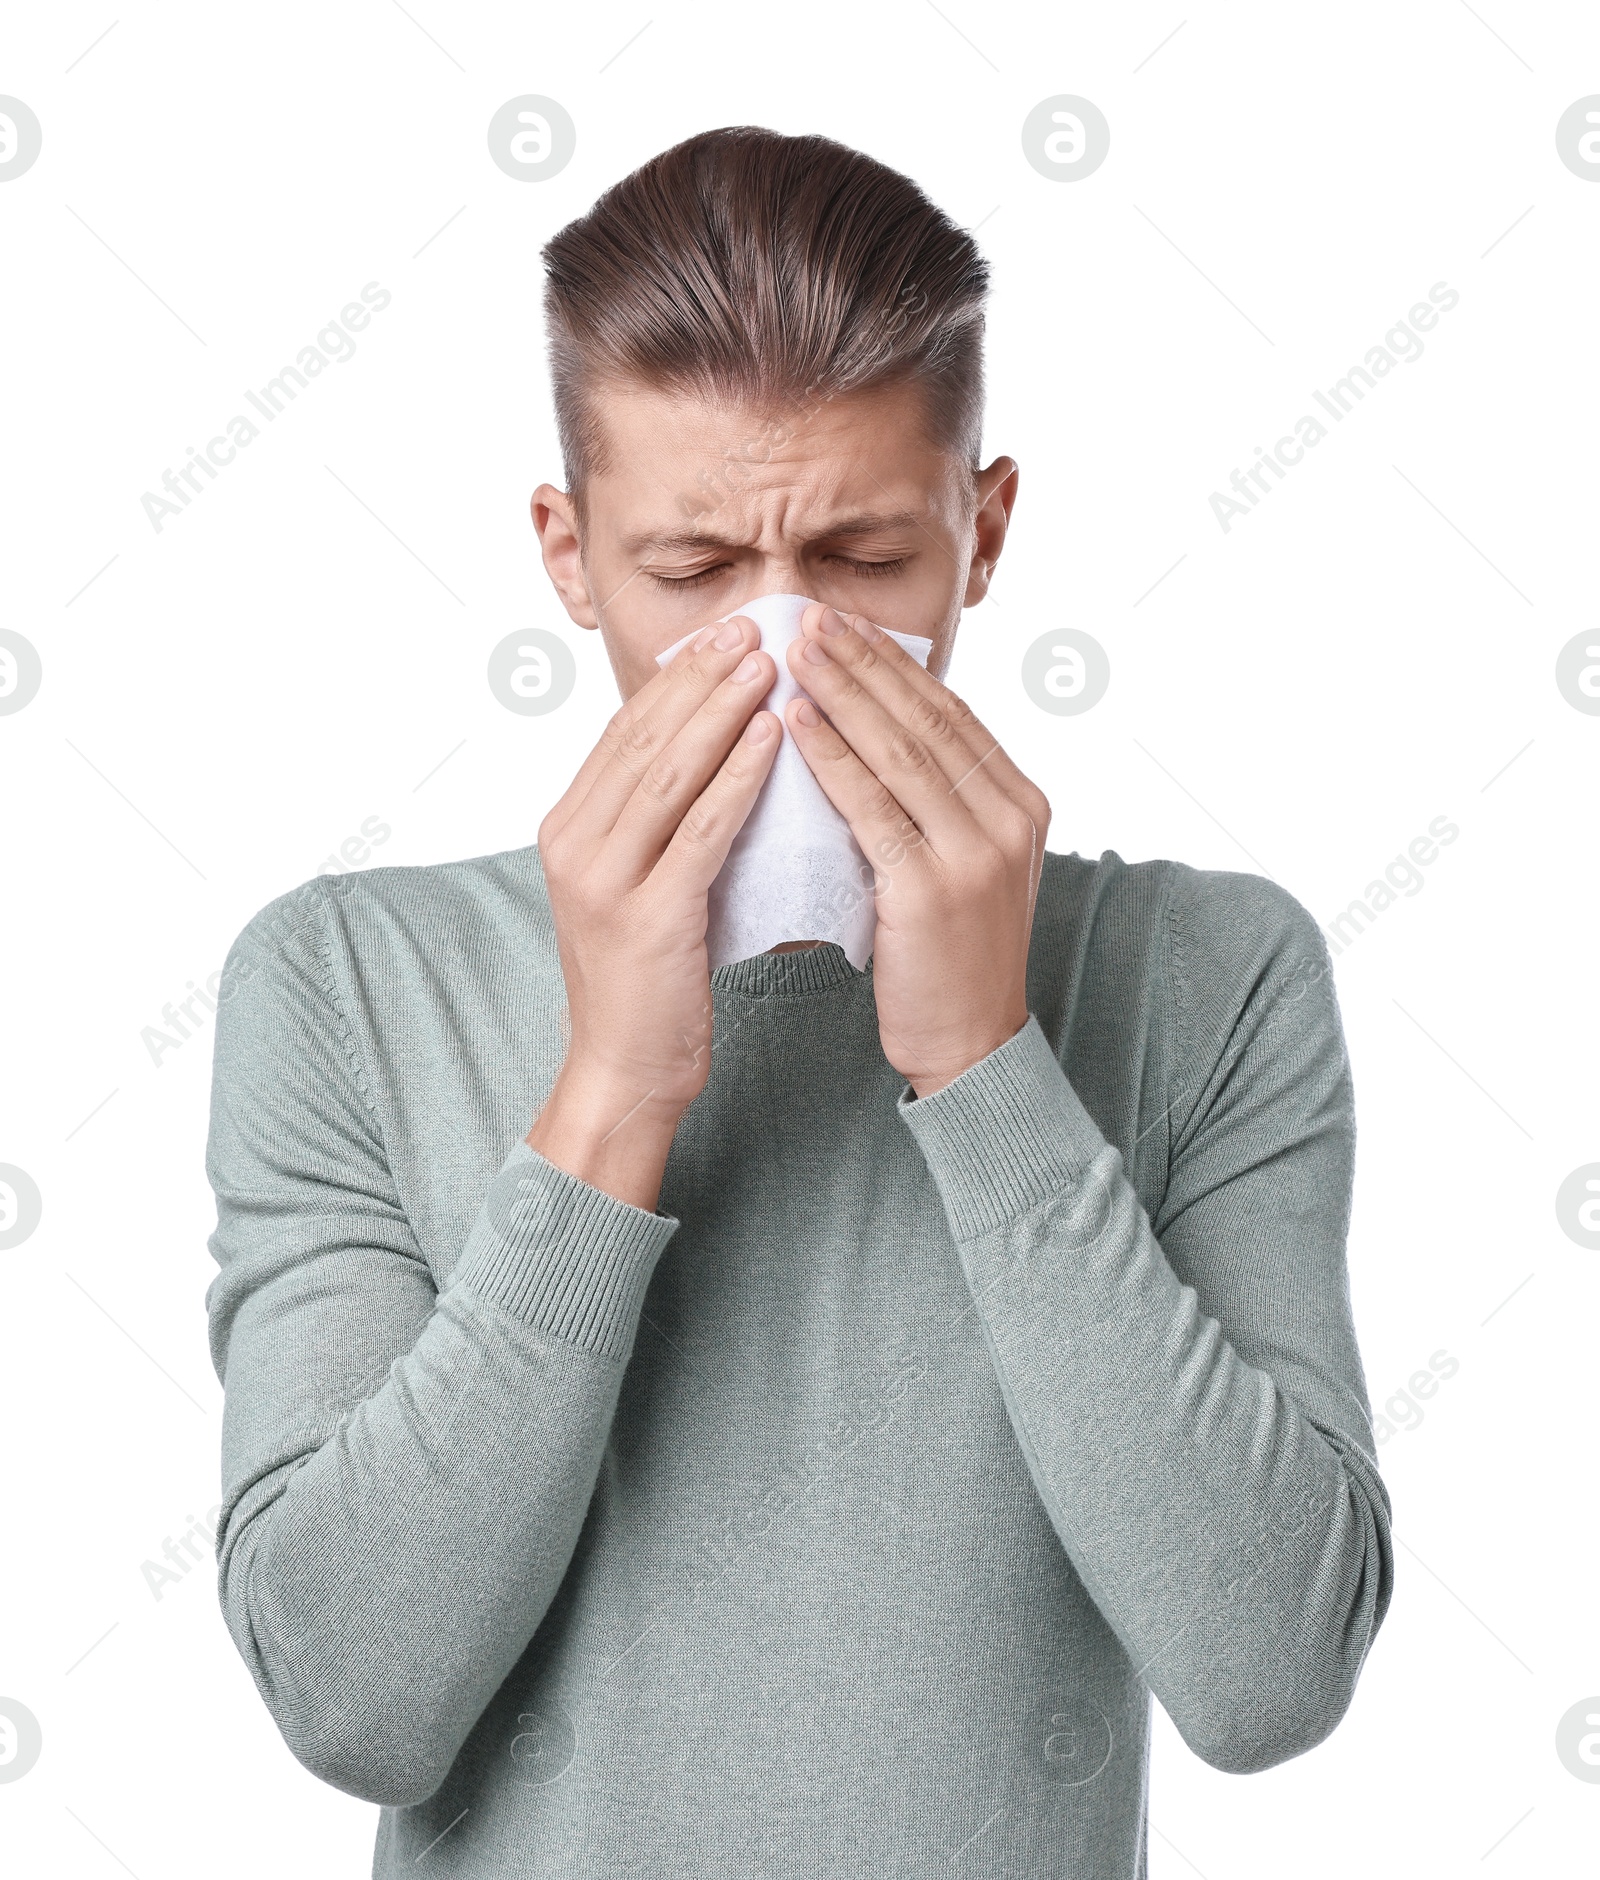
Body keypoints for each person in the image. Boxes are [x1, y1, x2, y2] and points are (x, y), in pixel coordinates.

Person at [204, 126, 1392, 1879]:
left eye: (862, 561)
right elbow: (359, 1702)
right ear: (570, 553)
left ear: (982, 535)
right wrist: (609, 1090)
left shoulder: (1209, 976)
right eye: (691, 575)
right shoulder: (346, 982)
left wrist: (990, 1067)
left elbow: (1268, 1672)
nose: (784, 653)